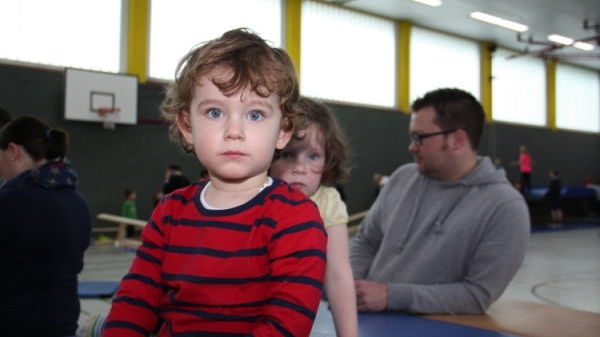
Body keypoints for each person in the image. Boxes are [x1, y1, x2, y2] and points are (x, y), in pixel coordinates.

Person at [102, 28, 327, 336]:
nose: (234, 131)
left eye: (255, 115)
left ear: (283, 131)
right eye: (215, 112)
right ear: (187, 126)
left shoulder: (295, 218)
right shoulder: (170, 212)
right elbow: (135, 300)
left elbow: (286, 326)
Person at [350, 88, 530, 314]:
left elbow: (477, 295)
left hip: (434, 326)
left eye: (420, 137)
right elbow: (367, 241)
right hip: (367, 319)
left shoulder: (505, 207)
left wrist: (390, 296)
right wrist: (351, 287)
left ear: (457, 139)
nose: (412, 146)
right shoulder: (401, 178)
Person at [270, 97, 358, 337]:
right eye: (288, 155)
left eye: (313, 156)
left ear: (328, 159)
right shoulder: (256, 195)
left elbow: (338, 276)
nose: (300, 168)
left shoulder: (327, 202)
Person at [0, 116, 91, 335]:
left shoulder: (14, 199)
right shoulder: (78, 201)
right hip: (63, 323)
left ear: (13, 151)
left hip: (17, 326)